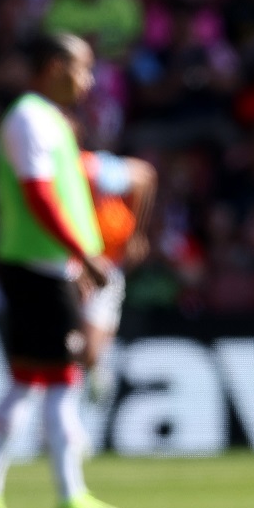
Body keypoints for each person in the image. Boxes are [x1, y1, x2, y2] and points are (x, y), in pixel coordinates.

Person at [0, 32, 125, 508]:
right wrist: (85, 254)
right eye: (83, 67)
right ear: (55, 66)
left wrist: (75, 263)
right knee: (60, 378)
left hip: (48, 266)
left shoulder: (50, 120)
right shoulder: (30, 118)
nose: (89, 79)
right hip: (36, 266)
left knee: (31, 379)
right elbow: (40, 197)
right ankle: (68, 492)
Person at [79, 148, 158, 399]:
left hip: (106, 265)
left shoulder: (90, 167)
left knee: (91, 349)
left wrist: (138, 234)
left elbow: (145, 177)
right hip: (71, 263)